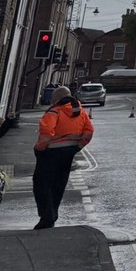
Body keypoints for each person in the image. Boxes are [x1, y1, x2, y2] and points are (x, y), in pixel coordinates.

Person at [33, 85, 93, 229]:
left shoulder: (54, 111)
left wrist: (39, 149)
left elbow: (46, 132)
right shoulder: (80, 112)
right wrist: (77, 147)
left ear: (57, 98)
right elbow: (89, 131)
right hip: (69, 153)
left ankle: (47, 217)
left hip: (50, 153)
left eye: (53, 98)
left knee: (41, 184)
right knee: (58, 185)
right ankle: (52, 214)